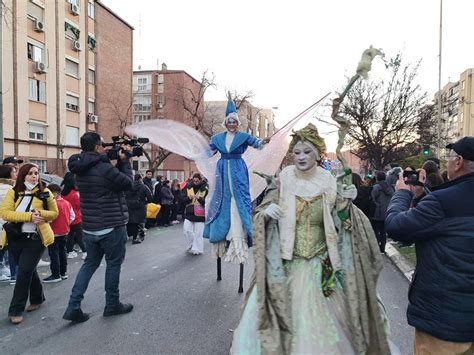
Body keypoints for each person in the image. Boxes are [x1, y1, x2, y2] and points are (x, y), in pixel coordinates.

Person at [231, 123, 390, 354]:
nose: (301, 157)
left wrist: (348, 204)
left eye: (307, 152)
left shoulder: (328, 181)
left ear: (318, 153)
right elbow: (262, 211)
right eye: (296, 152)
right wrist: (266, 214)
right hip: (287, 263)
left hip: (322, 265)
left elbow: (342, 223)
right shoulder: (284, 178)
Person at [385, 136, 474, 354]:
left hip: (445, 326)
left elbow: (396, 226)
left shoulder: (442, 202)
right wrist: (423, 196)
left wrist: (402, 194)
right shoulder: (441, 201)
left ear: (458, 161)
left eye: (449, 157)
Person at [62, 132, 134, 323]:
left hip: (90, 228)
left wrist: (112, 159)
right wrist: (125, 162)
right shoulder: (103, 168)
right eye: (102, 145)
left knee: (89, 265)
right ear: (96, 147)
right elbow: (127, 183)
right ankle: (112, 304)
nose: (105, 147)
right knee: (113, 265)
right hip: (111, 226)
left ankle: (73, 306)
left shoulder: (78, 167)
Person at [204, 98, 270, 263]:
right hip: (222, 171)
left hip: (238, 169)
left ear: (238, 123)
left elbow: (257, 143)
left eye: (234, 121)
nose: (232, 124)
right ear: (225, 123)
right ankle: (219, 234)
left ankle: (239, 235)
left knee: (240, 199)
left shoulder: (243, 136)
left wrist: (263, 142)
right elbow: (208, 152)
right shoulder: (218, 138)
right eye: (229, 121)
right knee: (220, 200)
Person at [0, 163, 58, 324]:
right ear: (23, 175)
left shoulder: (45, 192)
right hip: (15, 238)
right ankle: (37, 298)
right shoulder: (14, 192)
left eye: (36, 173)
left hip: (36, 239)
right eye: (30, 173)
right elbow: (5, 213)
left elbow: (54, 213)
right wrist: (29, 217)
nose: (34, 176)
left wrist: (40, 214)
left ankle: (16, 309)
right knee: (29, 270)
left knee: (24, 272)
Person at [43, 184, 75, 283]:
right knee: (62, 252)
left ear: (55, 194)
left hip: (53, 232)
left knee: (54, 254)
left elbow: (49, 219)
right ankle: (63, 273)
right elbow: (72, 217)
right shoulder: (67, 203)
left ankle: (55, 274)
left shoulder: (52, 205)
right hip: (64, 231)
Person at [61, 172, 86, 260]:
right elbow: (79, 205)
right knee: (80, 237)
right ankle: (85, 252)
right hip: (77, 218)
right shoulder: (74, 194)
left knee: (70, 236)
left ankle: (70, 252)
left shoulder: (63, 193)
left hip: (68, 218)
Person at [0, 165, 18, 282]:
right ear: (8, 174)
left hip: (2, 222)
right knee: (12, 247)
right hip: (8, 222)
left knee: (2, 248)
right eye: (14, 172)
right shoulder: (10, 189)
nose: (16, 174)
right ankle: (14, 275)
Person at [183, 173, 208, 255]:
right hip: (189, 212)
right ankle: (191, 244)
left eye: (197, 181)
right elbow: (181, 199)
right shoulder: (188, 187)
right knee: (186, 230)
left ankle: (197, 249)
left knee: (198, 233)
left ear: (200, 180)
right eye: (194, 181)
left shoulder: (206, 189)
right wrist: (188, 198)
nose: (195, 182)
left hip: (200, 214)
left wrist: (200, 199)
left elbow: (208, 202)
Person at [125, 174, 152, 244]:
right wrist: (145, 202)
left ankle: (131, 235)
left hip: (130, 206)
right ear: (140, 179)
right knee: (140, 221)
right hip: (140, 207)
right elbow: (150, 197)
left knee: (132, 221)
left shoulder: (128, 187)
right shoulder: (144, 187)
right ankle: (138, 236)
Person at [371, 171, 394, 253]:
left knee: (375, 230)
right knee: (383, 231)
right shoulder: (390, 187)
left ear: (377, 178)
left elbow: (372, 198)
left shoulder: (376, 187)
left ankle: (377, 247)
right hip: (386, 212)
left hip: (377, 212)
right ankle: (383, 247)